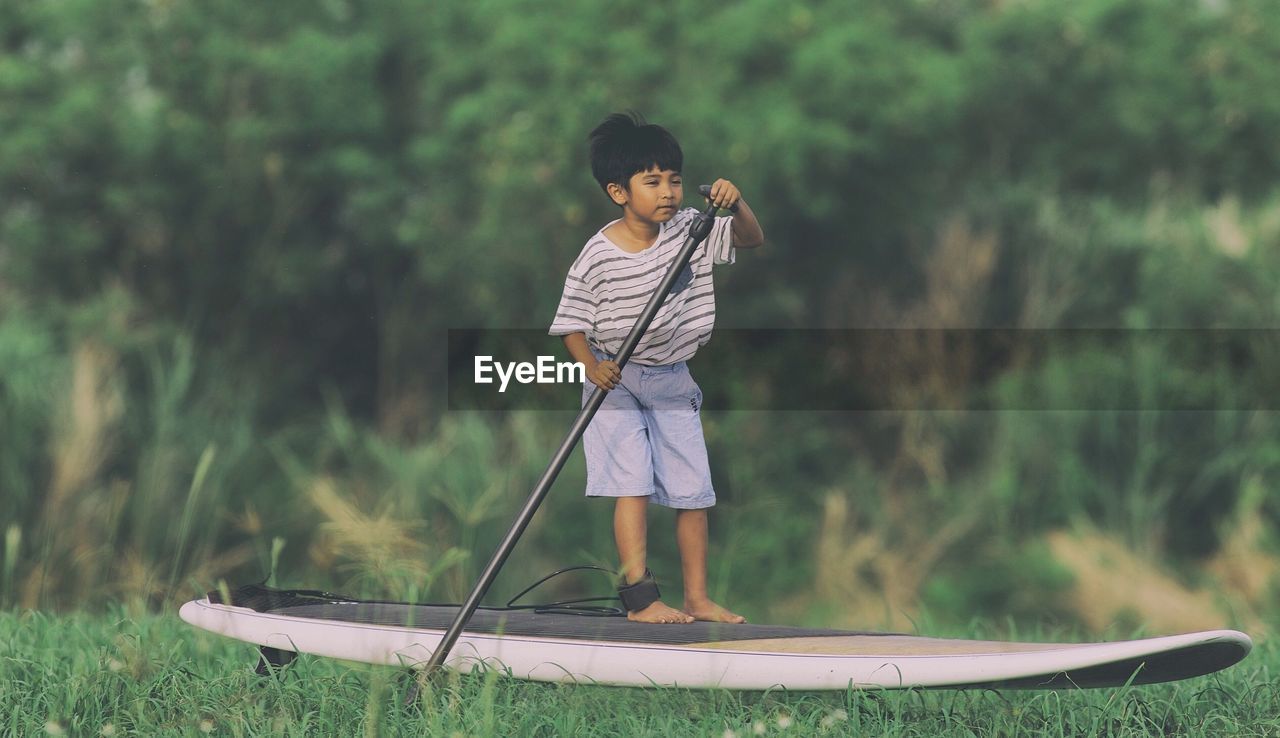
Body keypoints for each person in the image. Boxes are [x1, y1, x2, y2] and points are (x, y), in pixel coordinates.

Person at [549, 112, 764, 624]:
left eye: (674, 179)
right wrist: (590, 367)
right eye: (652, 182)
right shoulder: (597, 255)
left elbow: (750, 238)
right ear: (618, 192)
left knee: (693, 491)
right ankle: (641, 601)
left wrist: (738, 203)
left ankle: (697, 596)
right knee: (633, 485)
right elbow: (571, 325)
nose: (667, 191)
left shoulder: (692, 227)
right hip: (616, 381)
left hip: (672, 378)